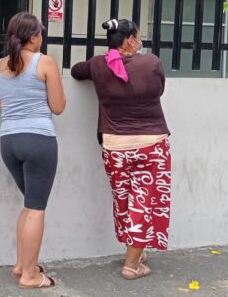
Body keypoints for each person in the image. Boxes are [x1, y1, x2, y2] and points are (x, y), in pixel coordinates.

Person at [70, 18, 171, 280]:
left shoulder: (97, 65)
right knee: (144, 203)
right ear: (128, 40)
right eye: (137, 37)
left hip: (114, 146)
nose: (140, 42)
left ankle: (136, 251)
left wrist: (100, 67)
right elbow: (158, 90)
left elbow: (75, 71)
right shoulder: (151, 63)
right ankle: (131, 266)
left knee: (124, 201)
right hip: (151, 145)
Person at [0, 12, 66, 289]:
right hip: (38, 141)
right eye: (41, 33)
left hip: (8, 141)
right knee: (36, 208)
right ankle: (31, 276)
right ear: (34, 36)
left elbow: (4, 107)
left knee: (29, 205)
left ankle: (22, 264)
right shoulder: (44, 62)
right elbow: (58, 106)